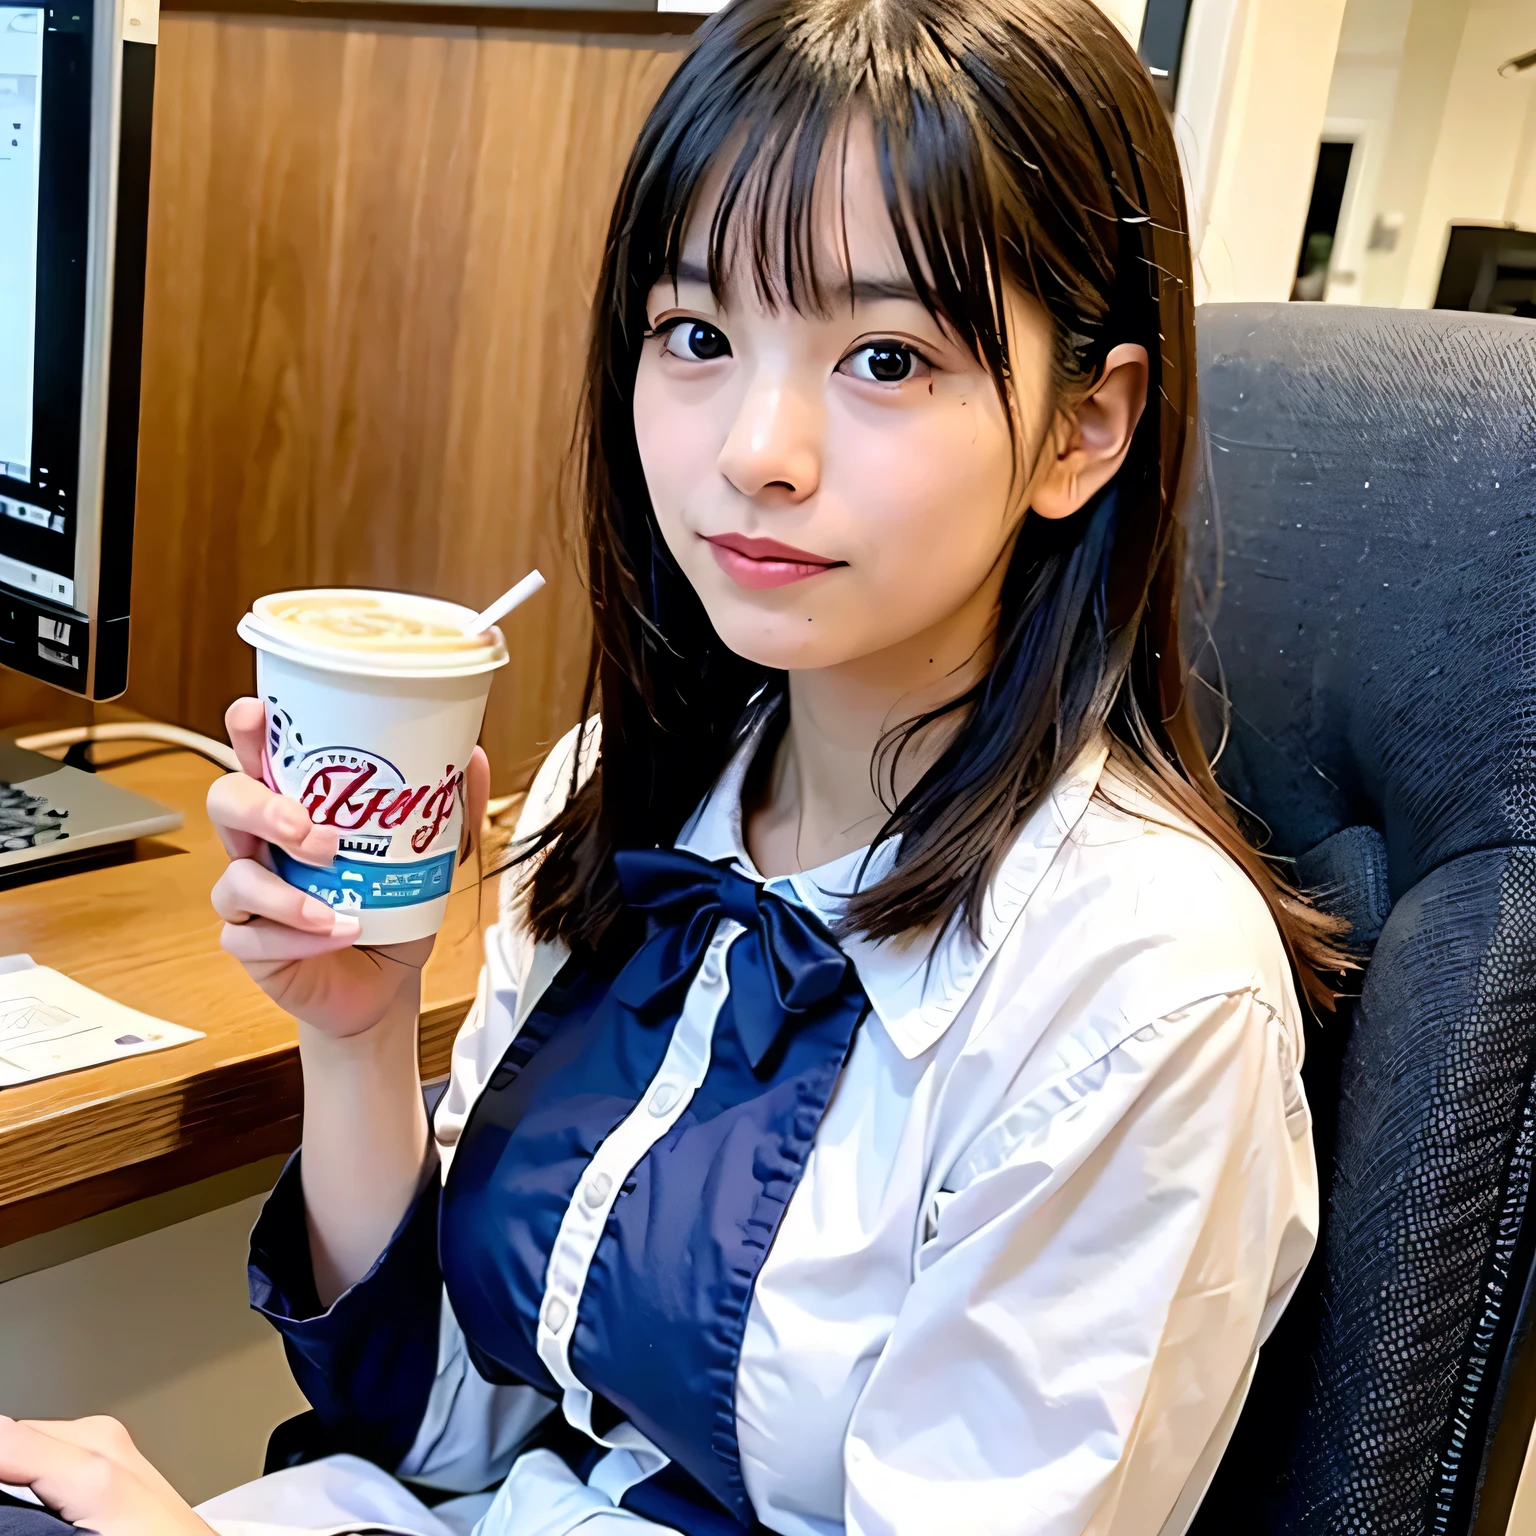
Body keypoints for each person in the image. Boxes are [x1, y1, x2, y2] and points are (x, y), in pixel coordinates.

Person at [0, 0, 1347, 1531]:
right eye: (696, 335)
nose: (757, 448)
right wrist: (357, 1032)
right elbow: (450, 1432)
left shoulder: (1144, 993)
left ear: (1082, 430)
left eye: (887, 357)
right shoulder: (619, 795)